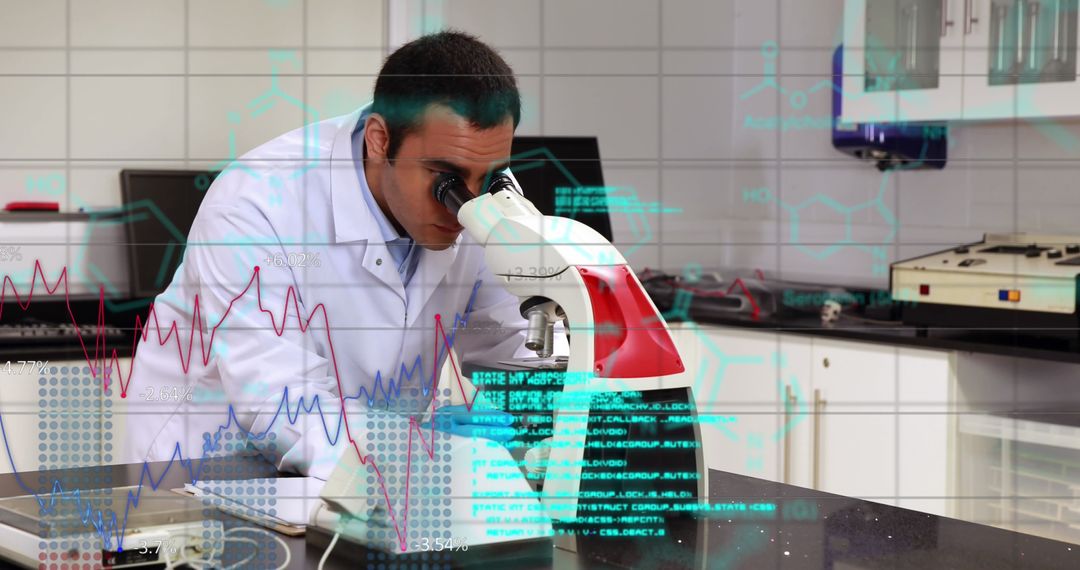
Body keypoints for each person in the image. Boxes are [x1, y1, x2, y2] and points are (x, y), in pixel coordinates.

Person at [125, 31, 539, 480]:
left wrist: (533, 410)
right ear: (381, 140)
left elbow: (511, 344)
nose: (467, 205)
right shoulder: (256, 203)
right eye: (446, 178)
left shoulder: (483, 191)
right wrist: (422, 443)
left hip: (372, 475)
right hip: (205, 466)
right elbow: (280, 404)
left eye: (490, 175)